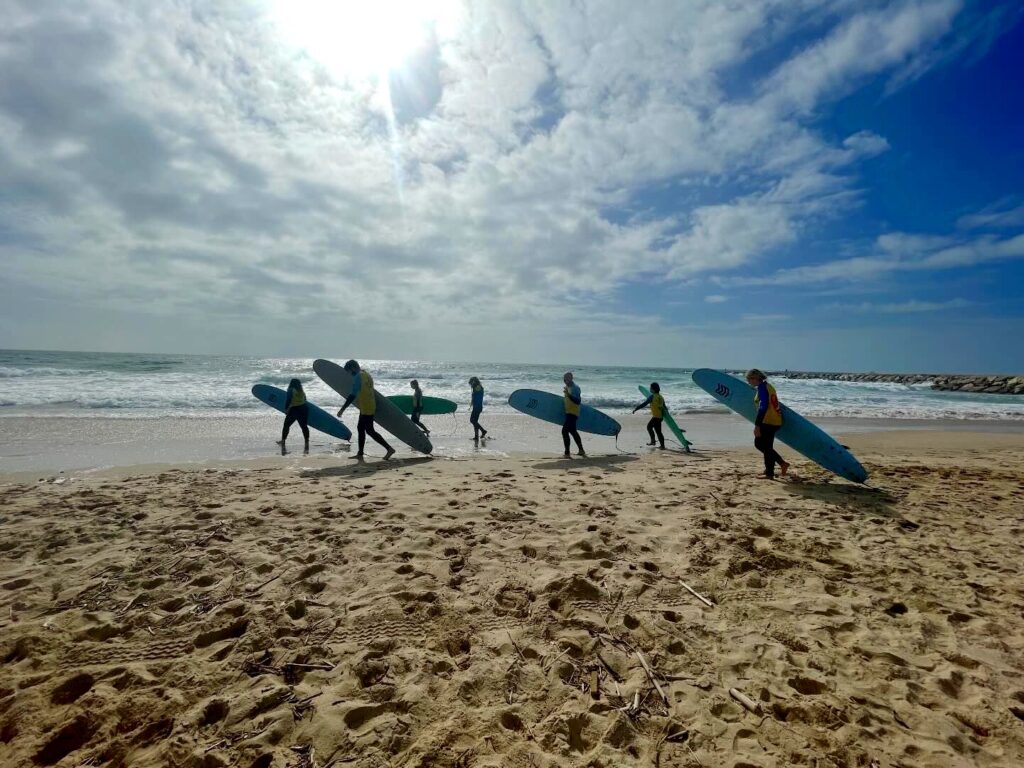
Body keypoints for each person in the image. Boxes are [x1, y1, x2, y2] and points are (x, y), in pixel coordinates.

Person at [337, 360, 395, 460]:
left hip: (367, 407)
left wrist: (342, 409)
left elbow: (352, 395)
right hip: (368, 405)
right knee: (360, 428)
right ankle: (360, 453)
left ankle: (389, 449)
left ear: (352, 368)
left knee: (370, 430)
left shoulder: (357, 377)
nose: (349, 375)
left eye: (349, 372)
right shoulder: (366, 375)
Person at [745, 368, 789, 479]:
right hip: (774, 420)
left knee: (761, 445)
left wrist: (757, 425)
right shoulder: (767, 386)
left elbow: (763, 408)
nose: (748, 382)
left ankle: (772, 472)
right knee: (765, 446)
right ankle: (775, 467)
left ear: (755, 378)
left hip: (768, 421)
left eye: (749, 379)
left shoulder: (763, 388)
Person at [277, 378, 310, 455]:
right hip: (304, 409)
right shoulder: (301, 391)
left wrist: (286, 409)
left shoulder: (291, 389)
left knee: (286, 425)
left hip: (295, 409)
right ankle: (306, 441)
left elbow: (288, 399)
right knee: (304, 426)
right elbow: (305, 399)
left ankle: (283, 441)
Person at [633, 382, 666, 449]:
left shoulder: (652, 396)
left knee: (651, 428)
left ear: (653, 389)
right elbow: (664, 407)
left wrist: (636, 408)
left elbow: (644, 404)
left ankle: (657, 443)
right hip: (660, 417)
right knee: (656, 430)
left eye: (650, 388)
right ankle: (659, 444)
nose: (650, 389)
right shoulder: (661, 397)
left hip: (656, 417)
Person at [562, 371, 585, 458]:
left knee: (564, 431)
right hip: (569, 412)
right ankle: (581, 450)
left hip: (573, 413)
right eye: (564, 378)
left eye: (567, 378)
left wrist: (568, 395)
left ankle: (567, 453)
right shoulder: (567, 388)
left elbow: (578, 401)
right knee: (572, 431)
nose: (565, 380)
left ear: (571, 378)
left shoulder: (575, 388)